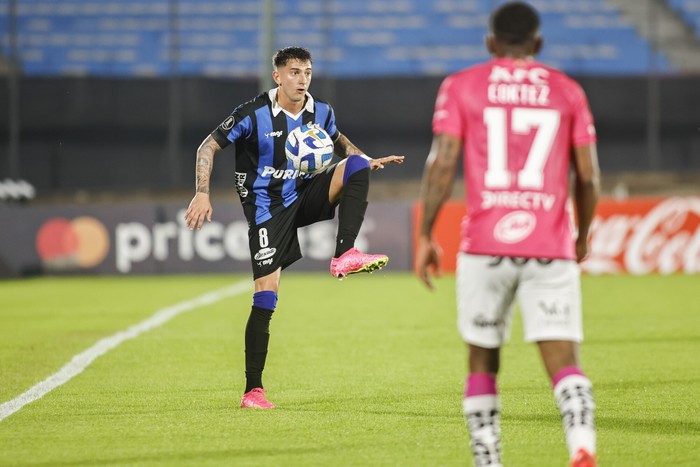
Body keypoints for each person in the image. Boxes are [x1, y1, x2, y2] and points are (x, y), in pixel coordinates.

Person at [415, 3, 600, 467]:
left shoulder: (462, 86)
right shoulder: (568, 90)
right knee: (563, 359)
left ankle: (488, 459)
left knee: (482, 361)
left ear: (490, 43)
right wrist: (580, 236)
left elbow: (441, 163)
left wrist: (425, 234)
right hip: (549, 242)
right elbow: (589, 176)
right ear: (538, 44)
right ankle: (582, 446)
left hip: (484, 245)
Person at [184, 46, 403, 409]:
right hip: (267, 209)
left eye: (307, 72)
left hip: (304, 193)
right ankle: (253, 391)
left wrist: (364, 159)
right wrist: (201, 192)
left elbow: (339, 141)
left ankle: (344, 253)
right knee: (267, 295)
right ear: (278, 76)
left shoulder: (321, 112)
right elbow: (208, 146)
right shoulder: (253, 113)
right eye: (295, 72)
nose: (303, 80)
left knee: (357, 166)